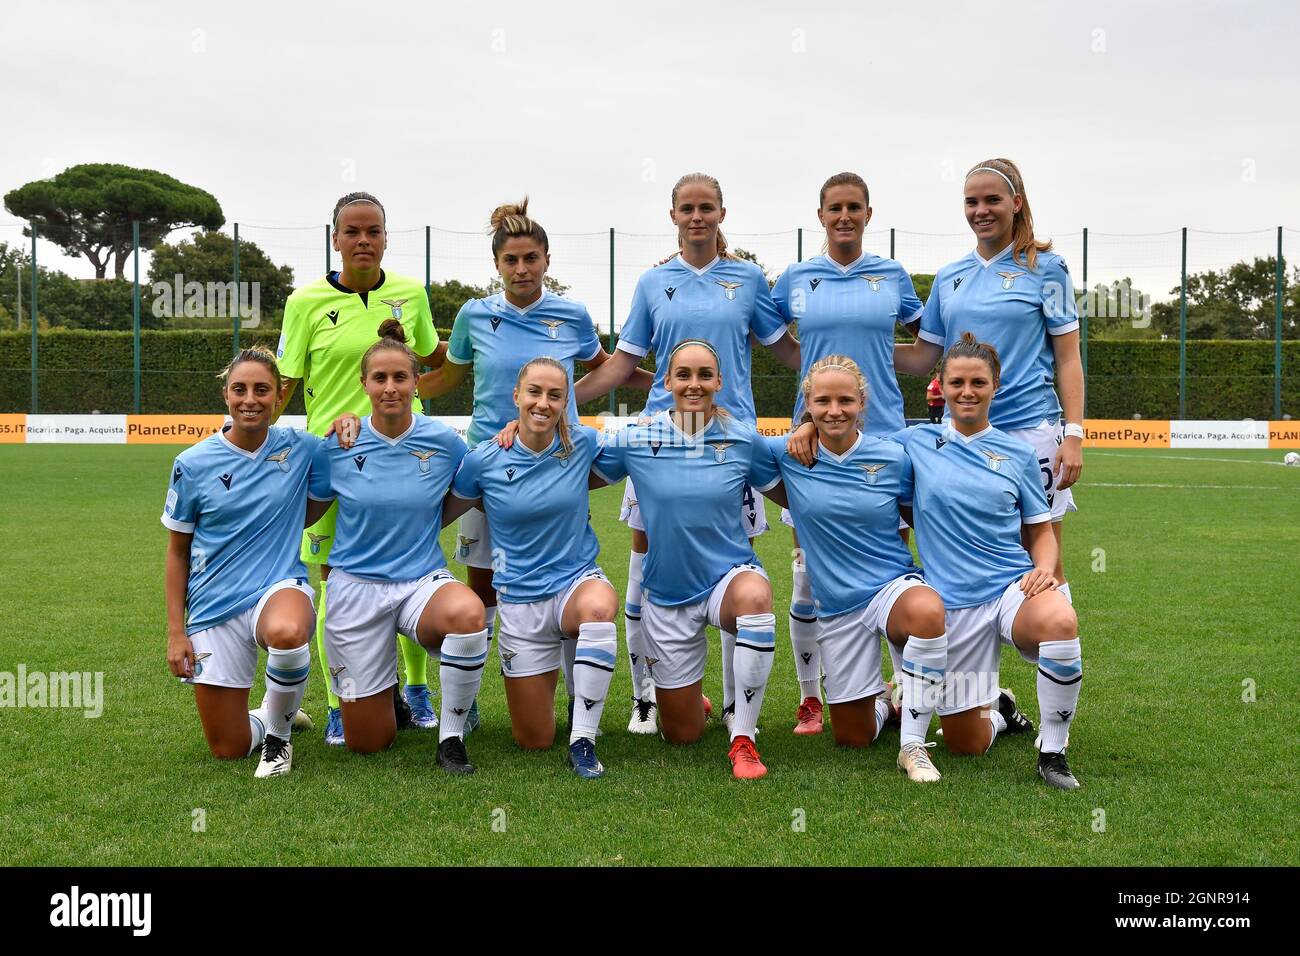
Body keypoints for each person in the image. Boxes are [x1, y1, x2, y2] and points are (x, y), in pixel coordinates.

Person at [574, 172, 800, 736]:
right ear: (672, 215)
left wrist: (840, 388)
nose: (697, 216)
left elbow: (791, 352)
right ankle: (646, 697)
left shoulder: (749, 280)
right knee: (647, 560)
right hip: (660, 442)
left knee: (736, 566)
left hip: (731, 442)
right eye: (687, 208)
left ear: (722, 212)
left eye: (707, 208)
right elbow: (622, 365)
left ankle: (732, 706)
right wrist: (560, 403)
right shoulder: (653, 283)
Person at [418, 199, 648, 720]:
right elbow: (449, 379)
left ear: (547, 259)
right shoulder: (474, 315)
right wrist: (388, 387)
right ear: (496, 265)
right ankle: (467, 702)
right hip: (489, 465)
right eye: (511, 261)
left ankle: (576, 699)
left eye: (531, 259)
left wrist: (673, 391)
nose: (521, 270)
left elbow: (606, 370)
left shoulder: (572, 315)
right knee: (482, 585)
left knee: (564, 573)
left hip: (554, 464)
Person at [274, 191, 444, 744]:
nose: (363, 240)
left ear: (387, 238)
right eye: (352, 231)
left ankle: (415, 689)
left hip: (404, 458)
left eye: (373, 231)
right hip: (335, 461)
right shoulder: (304, 303)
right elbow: (284, 384)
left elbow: (429, 360)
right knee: (335, 584)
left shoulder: (409, 293)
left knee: (412, 572)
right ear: (335, 239)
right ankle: (337, 701)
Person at [750, 355, 955, 781]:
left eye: (845, 400)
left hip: (890, 587)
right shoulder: (787, 454)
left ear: (862, 402)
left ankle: (913, 746)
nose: (834, 410)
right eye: (822, 401)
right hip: (838, 607)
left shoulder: (893, 456)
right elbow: (734, 440)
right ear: (808, 402)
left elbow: (923, 514)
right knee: (853, 736)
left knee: (927, 611)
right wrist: (801, 430)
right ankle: (886, 702)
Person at [771, 172, 925, 735]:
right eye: (834, 207)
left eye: (853, 207)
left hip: (884, 436)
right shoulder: (794, 278)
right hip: (812, 439)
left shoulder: (893, 276)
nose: (844, 216)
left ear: (868, 213)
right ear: (820, 214)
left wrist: (878, 374)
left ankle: (904, 687)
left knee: (891, 565)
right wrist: (818, 401)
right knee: (808, 572)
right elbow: (772, 338)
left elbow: (925, 343)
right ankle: (812, 699)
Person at [894, 158, 1085, 602]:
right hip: (960, 437)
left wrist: (1072, 434)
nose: (981, 210)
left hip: (1028, 429)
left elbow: (1069, 358)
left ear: (1016, 203)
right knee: (957, 548)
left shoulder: (1048, 268)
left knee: (1043, 557)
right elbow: (925, 358)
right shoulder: (949, 276)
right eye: (971, 201)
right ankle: (947, 660)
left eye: (992, 200)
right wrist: (863, 348)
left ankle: (1059, 652)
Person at [898, 333, 1083, 789]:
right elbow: (849, 435)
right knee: (966, 743)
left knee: (1060, 620)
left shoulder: (1018, 453)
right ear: (941, 385)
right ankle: (1000, 710)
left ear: (994, 386)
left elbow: (1040, 530)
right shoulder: (913, 443)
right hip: (951, 604)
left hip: (1009, 590)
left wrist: (1044, 568)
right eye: (957, 381)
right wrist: (805, 426)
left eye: (978, 382)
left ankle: (1053, 751)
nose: (967, 391)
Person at [591, 340, 782, 780]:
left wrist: (809, 430)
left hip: (727, 580)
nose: (693, 384)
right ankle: (689, 702)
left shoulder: (741, 436)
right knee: (683, 734)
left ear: (719, 381)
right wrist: (521, 435)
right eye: (683, 375)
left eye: (703, 375)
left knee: (756, 598)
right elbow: (576, 468)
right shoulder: (640, 437)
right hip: (668, 593)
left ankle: (744, 739)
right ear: (667, 382)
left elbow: (788, 485)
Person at [312, 322, 487, 772]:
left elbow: (466, 494)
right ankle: (384, 692)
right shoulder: (337, 444)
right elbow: (305, 507)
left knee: (468, 616)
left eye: (400, 378)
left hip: (420, 582)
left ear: (415, 383)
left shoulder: (446, 442)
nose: (390, 388)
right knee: (368, 743)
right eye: (380, 378)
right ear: (364, 383)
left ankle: (451, 736)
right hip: (354, 586)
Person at [450, 358, 619, 778]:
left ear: (566, 402)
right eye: (535, 393)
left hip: (575, 582)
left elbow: (653, 449)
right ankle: (567, 677)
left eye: (555, 395)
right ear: (517, 397)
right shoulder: (484, 459)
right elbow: (437, 513)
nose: (543, 403)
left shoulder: (584, 444)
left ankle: (583, 739)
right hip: (521, 601)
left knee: (599, 608)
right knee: (533, 739)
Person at [163, 346, 325, 778]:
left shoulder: (304, 449)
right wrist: (176, 633)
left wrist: (349, 421)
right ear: (226, 395)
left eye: (262, 389)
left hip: (278, 587)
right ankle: (278, 712)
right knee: (227, 747)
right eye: (240, 389)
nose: (250, 399)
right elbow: (177, 553)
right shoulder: (191, 464)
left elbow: (352, 450)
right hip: (213, 603)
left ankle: (279, 741)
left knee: (287, 633)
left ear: (279, 395)